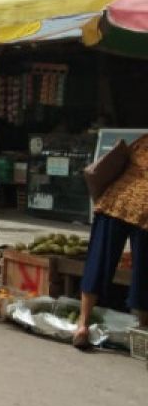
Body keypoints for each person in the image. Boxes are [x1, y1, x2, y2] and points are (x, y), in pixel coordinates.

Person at [74, 135, 148, 349]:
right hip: (143, 211)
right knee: (144, 271)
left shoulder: (143, 140)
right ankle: (142, 331)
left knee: (98, 260)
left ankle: (82, 325)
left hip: (114, 200)